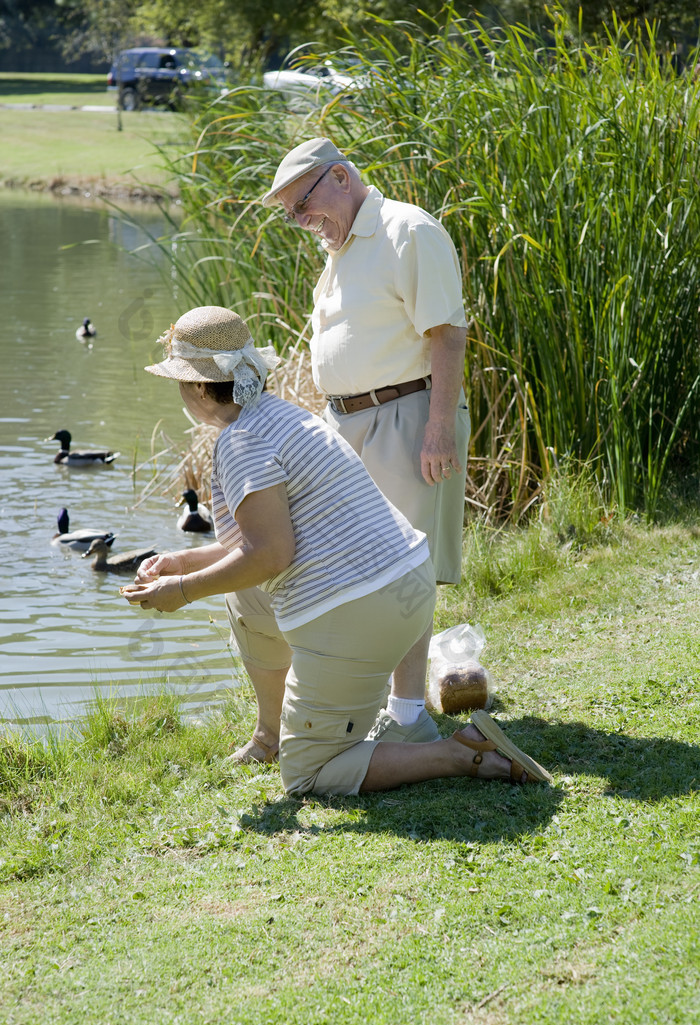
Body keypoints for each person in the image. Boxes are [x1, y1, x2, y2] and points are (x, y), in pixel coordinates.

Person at [121, 305, 551, 796]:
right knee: (245, 597)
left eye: (179, 380)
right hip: (405, 590)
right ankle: (270, 736)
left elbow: (271, 556)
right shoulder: (279, 415)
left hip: (358, 609)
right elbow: (256, 542)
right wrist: (183, 561)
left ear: (199, 387)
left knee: (308, 774)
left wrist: (182, 590)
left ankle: (462, 753)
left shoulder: (240, 443)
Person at [223, 137, 471, 764]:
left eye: (303, 207)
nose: (301, 223)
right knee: (339, 558)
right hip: (347, 424)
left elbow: (447, 335)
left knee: (403, 565)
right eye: (291, 215)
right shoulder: (339, 246)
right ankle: (349, 705)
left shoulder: (406, 230)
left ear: (340, 177)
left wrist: (438, 427)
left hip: (405, 415)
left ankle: (410, 718)